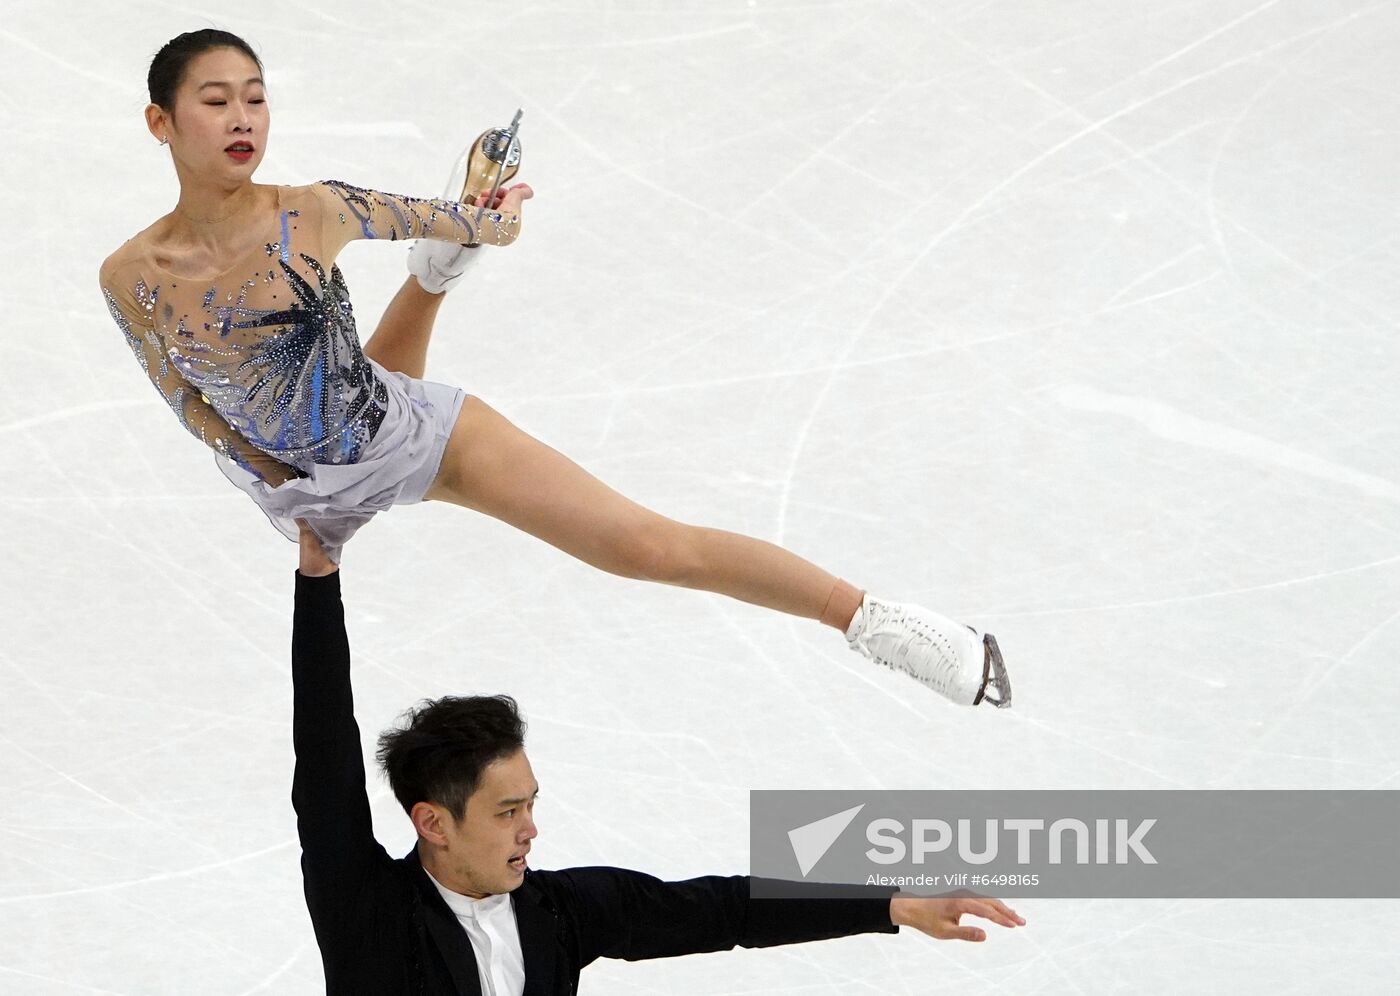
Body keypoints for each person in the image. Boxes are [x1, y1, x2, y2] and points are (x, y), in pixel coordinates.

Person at [98, 28, 1012, 708]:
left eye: (255, 97)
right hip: (314, 485)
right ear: (161, 121)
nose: (243, 117)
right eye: (216, 100)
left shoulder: (316, 211)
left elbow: (485, 219)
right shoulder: (130, 276)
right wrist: (281, 488)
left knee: (643, 548)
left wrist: (485, 213)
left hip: (419, 443)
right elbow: (185, 398)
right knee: (344, 382)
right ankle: (432, 282)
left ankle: (876, 621)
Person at [290, 524, 1025, 994]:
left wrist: (890, 905)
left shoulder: (558, 915)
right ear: (434, 823)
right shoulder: (369, 911)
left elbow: (721, 910)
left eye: (531, 805)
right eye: (507, 812)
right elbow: (323, 755)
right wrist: (318, 577)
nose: (531, 832)